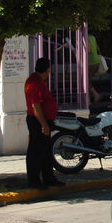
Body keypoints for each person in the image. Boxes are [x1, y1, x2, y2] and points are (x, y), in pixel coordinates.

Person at [24, 57, 65, 189]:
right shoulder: (34, 82)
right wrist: (44, 125)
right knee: (36, 152)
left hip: (42, 120)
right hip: (37, 121)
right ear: (47, 70)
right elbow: (35, 106)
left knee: (46, 151)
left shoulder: (38, 81)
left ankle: (49, 178)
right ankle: (34, 181)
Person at [87, 34, 102, 104]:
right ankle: (89, 99)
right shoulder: (92, 37)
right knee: (87, 81)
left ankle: (95, 95)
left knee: (86, 81)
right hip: (96, 61)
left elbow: (88, 50)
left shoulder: (83, 38)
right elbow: (97, 47)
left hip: (90, 62)